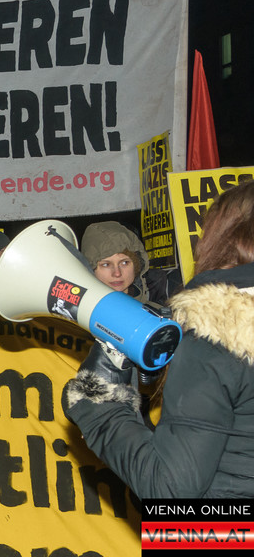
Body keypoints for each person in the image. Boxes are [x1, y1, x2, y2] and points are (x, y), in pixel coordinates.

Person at [63, 180, 254, 498]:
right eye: (106, 264)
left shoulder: (216, 332)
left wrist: (97, 407)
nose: (117, 272)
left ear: (220, 241)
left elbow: (170, 490)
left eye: (124, 263)